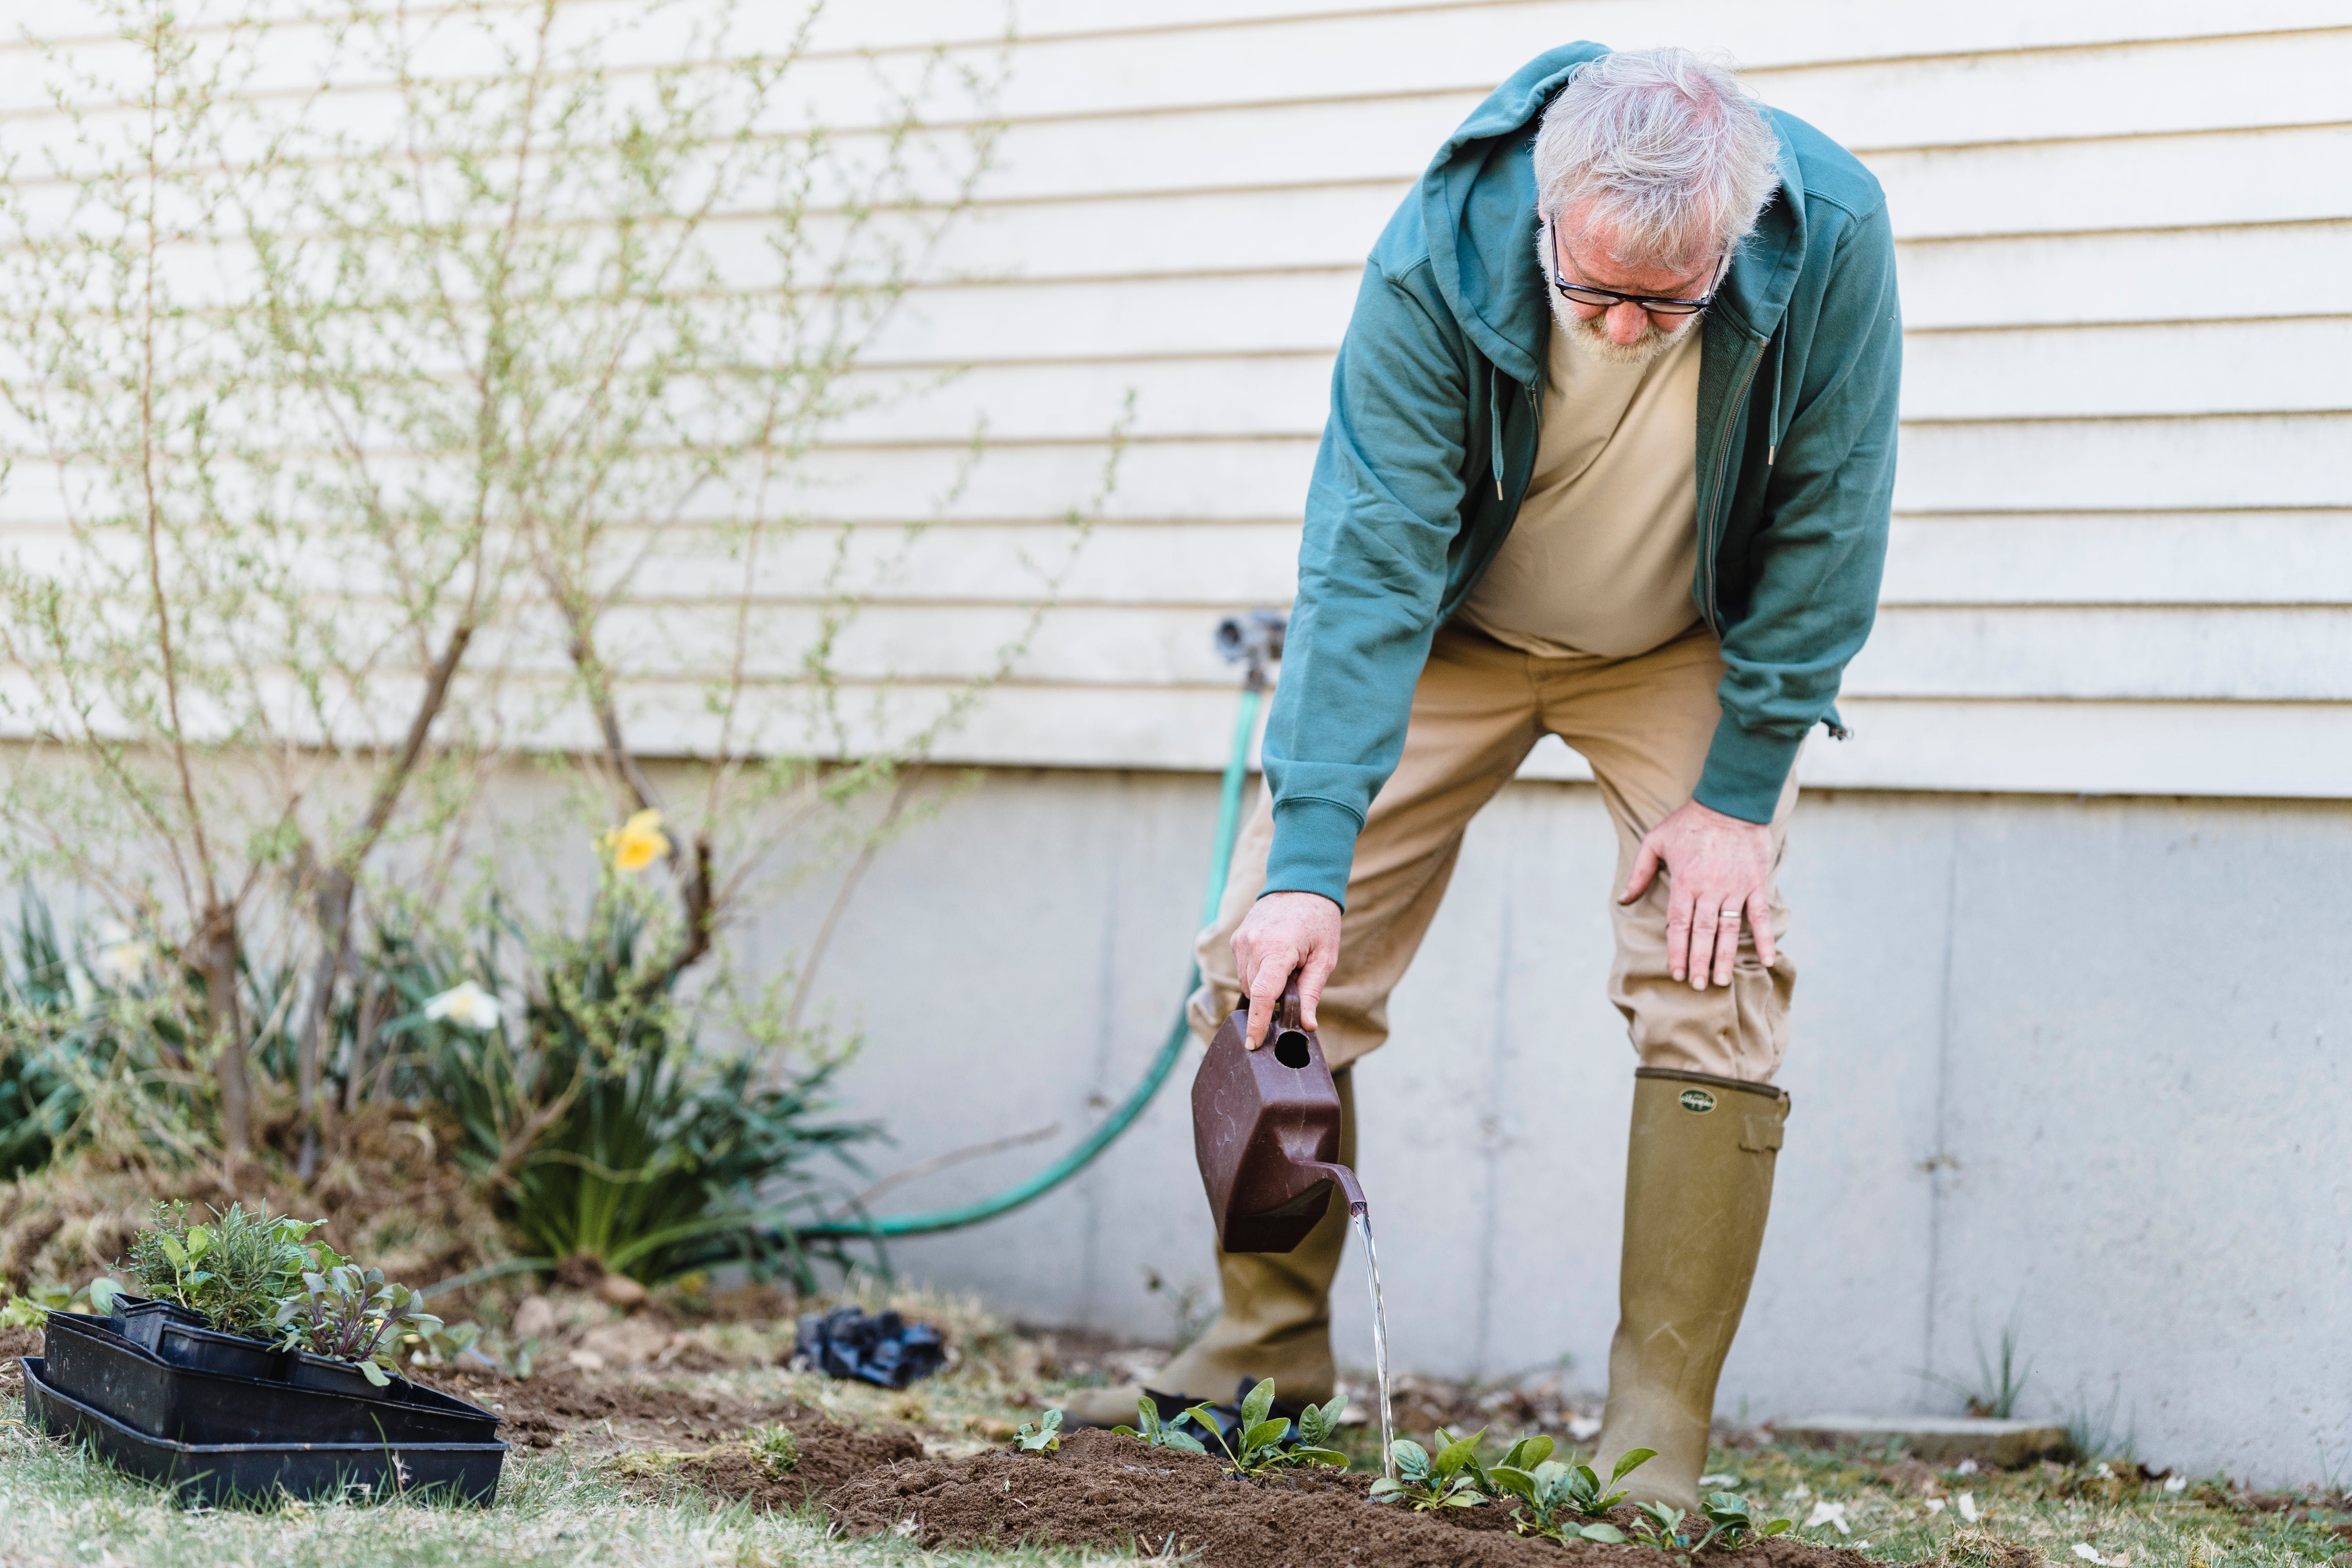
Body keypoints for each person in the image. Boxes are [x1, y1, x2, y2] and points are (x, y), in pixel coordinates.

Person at [1067, 43, 1899, 1510]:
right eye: (1597, 291)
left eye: (1671, 302)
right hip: (1452, 629)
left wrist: (1738, 793)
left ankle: (1652, 1444)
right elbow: (1369, 554)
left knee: (1716, 971)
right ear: (1546, 212)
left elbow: (1835, 513)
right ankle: (1266, 1354)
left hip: (1681, 647)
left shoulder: (1829, 232)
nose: (1628, 329)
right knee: (1268, 950)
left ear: (1736, 236)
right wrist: (1309, 865)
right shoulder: (1437, 256)